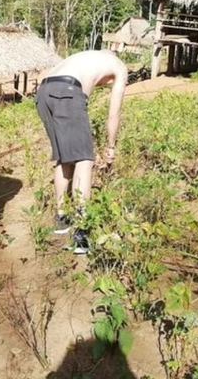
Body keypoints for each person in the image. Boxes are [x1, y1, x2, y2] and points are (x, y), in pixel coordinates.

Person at [36, 50, 128, 254]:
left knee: (64, 157)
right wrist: (111, 147)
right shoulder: (120, 67)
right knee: (85, 159)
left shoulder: (86, 57)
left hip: (43, 93)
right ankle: (82, 230)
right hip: (67, 90)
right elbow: (114, 114)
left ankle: (61, 218)